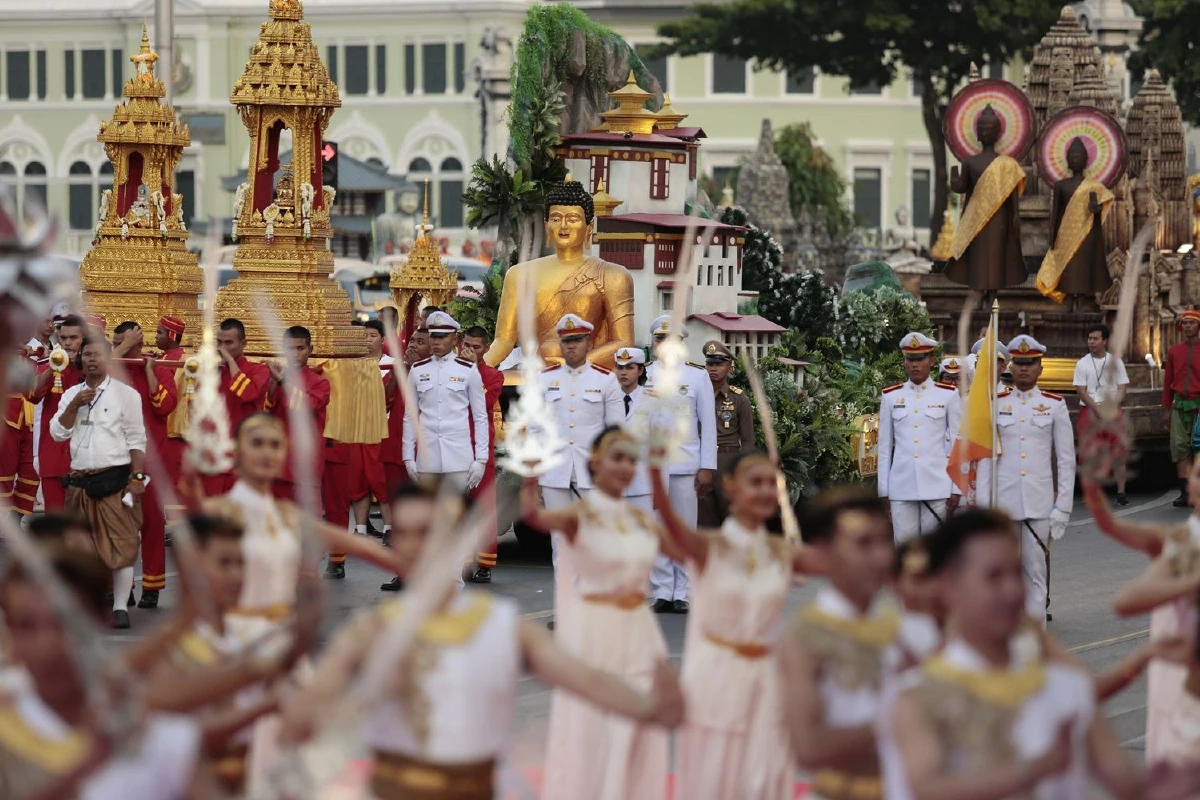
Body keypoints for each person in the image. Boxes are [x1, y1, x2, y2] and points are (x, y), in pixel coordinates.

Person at [281, 479, 684, 800]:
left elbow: (583, 679)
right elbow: (301, 720)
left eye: (431, 532)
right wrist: (302, 643)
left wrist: (650, 707)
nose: (418, 546)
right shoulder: (371, 631)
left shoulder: (501, 625)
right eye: (406, 533)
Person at [885, 508, 1200, 800]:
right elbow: (925, 787)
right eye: (993, 577)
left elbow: (1126, 782)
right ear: (947, 586)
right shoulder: (918, 698)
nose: (1012, 590)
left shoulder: (1065, 687)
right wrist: (1033, 770)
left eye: (1015, 574)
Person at [202, 412, 401, 796]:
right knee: (240, 758)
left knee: (294, 757)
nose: (267, 452)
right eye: (257, 443)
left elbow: (357, 544)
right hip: (233, 648)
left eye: (275, 445)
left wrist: (411, 564)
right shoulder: (217, 513)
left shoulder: (287, 516)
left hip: (285, 646)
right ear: (236, 452)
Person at [521, 426, 676, 800]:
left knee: (637, 724)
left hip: (639, 630)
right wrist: (531, 475)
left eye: (631, 460)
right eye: (617, 458)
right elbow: (534, 517)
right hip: (594, 631)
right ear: (596, 463)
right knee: (594, 722)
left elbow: (687, 551)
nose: (625, 467)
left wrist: (659, 483)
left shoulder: (641, 520)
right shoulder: (580, 515)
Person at [652, 451, 813, 800]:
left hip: (768, 677)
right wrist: (654, 471)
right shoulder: (709, 546)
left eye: (772, 483)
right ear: (730, 487)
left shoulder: (782, 550)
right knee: (716, 773)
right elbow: (671, 523)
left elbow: (843, 563)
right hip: (717, 675)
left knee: (764, 770)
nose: (766, 491)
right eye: (756, 482)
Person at [0, 547, 214, 798]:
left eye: (65, 623)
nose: (47, 646)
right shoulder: (7, 727)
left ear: (103, 620)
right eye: (26, 626)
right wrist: (89, 765)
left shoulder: (161, 737)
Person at [778, 487, 897, 800]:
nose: (881, 557)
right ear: (823, 551)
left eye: (885, 541)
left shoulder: (903, 627)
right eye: (863, 544)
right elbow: (808, 747)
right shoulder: (805, 637)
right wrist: (895, 722)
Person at [485, 177, 635, 369]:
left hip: (588, 373)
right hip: (536, 373)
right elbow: (504, 341)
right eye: (556, 219)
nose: (563, 226)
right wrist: (477, 372)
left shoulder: (612, 275)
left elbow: (624, 342)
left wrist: (577, 364)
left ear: (589, 227)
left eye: (573, 219)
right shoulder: (519, 274)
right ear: (547, 226)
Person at [50, 336, 147, 630]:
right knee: (79, 550)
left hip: (114, 480)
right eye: (87, 354)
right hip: (80, 482)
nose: (92, 359)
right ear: (80, 359)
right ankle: (86, 606)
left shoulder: (127, 395)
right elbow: (57, 433)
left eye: (98, 355)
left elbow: (137, 439)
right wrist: (74, 405)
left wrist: (138, 477)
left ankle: (120, 607)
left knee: (122, 544)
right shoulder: (71, 394)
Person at [978, 335, 1075, 626]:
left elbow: (1066, 460)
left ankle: (1034, 640)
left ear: (1040, 368)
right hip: (1004, 504)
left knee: (1035, 577)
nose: (1023, 368)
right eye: (1019, 363)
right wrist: (983, 508)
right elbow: (986, 459)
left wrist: (1062, 508)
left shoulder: (1054, 405)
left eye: (1030, 363)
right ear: (1011, 366)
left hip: (1038, 504)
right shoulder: (996, 404)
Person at [536, 314, 624, 626]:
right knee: (561, 546)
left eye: (577, 341)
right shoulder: (544, 380)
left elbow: (615, 435)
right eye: (567, 341)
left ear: (589, 343)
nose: (571, 346)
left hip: (592, 477)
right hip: (556, 474)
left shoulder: (605, 380)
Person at [645, 315, 716, 614]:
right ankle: (662, 589)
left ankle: (684, 591)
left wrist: (707, 466)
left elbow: (708, 425)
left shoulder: (697, 377)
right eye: (659, 339)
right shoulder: (645, 375)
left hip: (686, 464)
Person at [112, 321, 179, 610]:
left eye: (122, 343)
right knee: (121, 526)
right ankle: (124, 586)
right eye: (115, 344)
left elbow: (165, 406)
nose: (116, 348)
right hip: (117, 460)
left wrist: (150, 372)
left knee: (152, 524)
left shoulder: (159, 369)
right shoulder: (114, 370)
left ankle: (152, 586)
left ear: (138, 342)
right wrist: (122, 350)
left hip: (152, 461)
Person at [878, 332, 961, 542]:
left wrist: (956, 487)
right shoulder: (891, 396)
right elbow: (884, 447)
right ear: (904, 361)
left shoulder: (948, 394)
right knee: (904, 549)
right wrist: (883, 490)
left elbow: (957, 444)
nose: (915, 364)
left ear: (931, 361)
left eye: (920, 359)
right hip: (901, 486)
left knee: (934, 550)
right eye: (910, 359)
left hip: (938, 485)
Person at [401, 311, 489, 492]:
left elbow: (480, 417)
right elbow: (410, 417)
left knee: (457, 509)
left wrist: (481, 459)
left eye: (442, 337)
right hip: (427, 457)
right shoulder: (418, 370)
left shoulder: (467, 369)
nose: (436, 341)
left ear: (454, 339)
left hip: (459, 457)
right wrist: (408, 457)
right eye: (433, 336)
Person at [263, 326, 330, 504]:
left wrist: (282, 381)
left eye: (300, 348)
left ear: (310, 349)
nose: (295, 354)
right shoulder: (275, 377)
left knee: (306, 517)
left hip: (306, 460)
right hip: (278, 457)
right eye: (290, 348)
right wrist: (272, 383)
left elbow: (306, 406)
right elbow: (264, 411)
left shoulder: (320, 383)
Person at [460, 325, 505, 583]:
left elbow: (482, 402)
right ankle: (463, 561)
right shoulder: (451, 370)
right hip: (456, 445)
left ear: (486, 348)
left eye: (476, 347)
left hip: (480, 447)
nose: (469, 350)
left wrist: (471, 371)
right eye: (466, 345)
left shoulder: (494, 375)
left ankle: (485, 563)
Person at [28, 313, 85, 512]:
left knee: (84, 523)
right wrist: (52, 367)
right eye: (64, 338)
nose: (68, 343)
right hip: (54, 456)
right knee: (56, 521)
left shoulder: (93, 368)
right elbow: (32, 395)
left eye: (74, 338)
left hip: (86, 459)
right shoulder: (49, 366)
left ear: (84, 340)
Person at [208, 318, 270, 496]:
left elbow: (248, 393)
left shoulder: (258, 370)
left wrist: (229, 360)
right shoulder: (215, 371)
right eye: (219, 342)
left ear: (243, 344)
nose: (222, 348)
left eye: (228, 343)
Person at [698, 340, 755, 528]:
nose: (713, 369)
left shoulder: (738, 398)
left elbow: (747, 440)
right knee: (704, 519)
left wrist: (743, 471)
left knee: (732, 517)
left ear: (730, 368)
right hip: (701, 461)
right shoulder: (696, 395)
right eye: (710, 364)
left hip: (727, 461)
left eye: (719, 364)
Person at [1073, 323, 1130, 506]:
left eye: (1095, 338)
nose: (1091, 342)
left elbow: (1122, 387)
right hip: (1089, 410)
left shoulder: (1116, 362)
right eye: (1089, 338)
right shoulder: (1082, 363)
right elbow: (1081, 391)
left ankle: (1121, 492)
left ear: (1105, 341)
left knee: (1119, 450)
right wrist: (1097, 409)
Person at [380, 327, 429, 499]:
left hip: (423, 449)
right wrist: (395, 376)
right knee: (395, 500)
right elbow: (382, 405)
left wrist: (417, 368)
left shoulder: (436, 373)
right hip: (395, 445)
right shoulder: (398, 368)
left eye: (420, 342)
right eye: (412, 341)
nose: (413, 345)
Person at [1163, 309, 1200, 507]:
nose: (1187, 326)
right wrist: (1166, 409)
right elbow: (1168, 381)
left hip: (1199, 406)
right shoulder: (1174, 351)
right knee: (1179, 449)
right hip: (1178, 406)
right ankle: (1185, 493)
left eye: (1191, 323)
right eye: (1184, 323)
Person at [614, 346, 652, 513]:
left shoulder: (652, 400)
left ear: (640, 370)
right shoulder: (609, 399)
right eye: (620, 367)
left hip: (643, 483)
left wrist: (661, 490)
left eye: (630, 368)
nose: (623, 373)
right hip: (614, 484)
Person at [2, 380, 38, 520]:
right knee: (4, 470)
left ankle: (15, 519)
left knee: (31, 472)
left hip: (35, 415)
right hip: (7, 414)